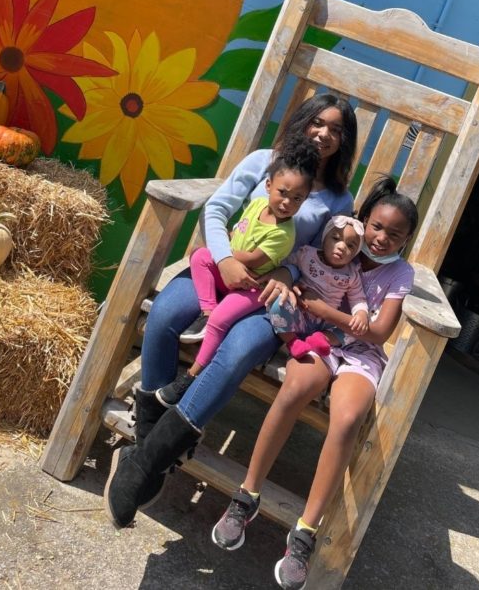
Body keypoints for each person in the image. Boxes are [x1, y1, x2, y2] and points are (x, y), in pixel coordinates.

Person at [103, 93, 358, 530]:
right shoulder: (264, 160)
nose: (325, 135)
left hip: (272, 294)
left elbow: (325, 258)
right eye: (320, 122)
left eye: (338, 130)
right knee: (165, 314)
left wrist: (287, 274)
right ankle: (154, 455)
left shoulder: (338, 199)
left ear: (345, 142)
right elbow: (218, 208)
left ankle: (142, 464)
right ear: (303, 121)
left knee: (238, 350)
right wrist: (223, 259)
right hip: (221, 270)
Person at [211, 176, 418, 590]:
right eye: (376, 227)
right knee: (294, 389)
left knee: (346, 421)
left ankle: (305, 530)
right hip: (316, 337)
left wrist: (329, 310)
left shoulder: (401, 273)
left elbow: (377, 333)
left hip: (360, 353)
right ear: (364, 220)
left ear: (406, 239)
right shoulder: (340, 239)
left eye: (395, 234)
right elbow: (296, 260)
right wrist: (290, 280)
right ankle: (246, 496)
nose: (380, 239)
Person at [155, 135, 320, 407]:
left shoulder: (283, 232)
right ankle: (205, 312)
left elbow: (254, 259)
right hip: (231, 271)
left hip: (252, 285)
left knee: (222, 320)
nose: (287, 202)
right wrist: (224, 252)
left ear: (303, 202)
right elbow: (236, 229)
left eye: (297, 199)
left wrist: (226, 255)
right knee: (199, 256)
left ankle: (191, 375)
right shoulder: (256, 205)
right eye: (282, 193)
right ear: (268, 186)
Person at [268, 214, 368, 361]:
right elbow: (285, 266)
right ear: (324, 239)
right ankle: (292, 342)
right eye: (335, 238)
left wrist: (361, 314)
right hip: (298, 313)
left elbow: (358, 298)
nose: (341, 246)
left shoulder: (352, 275)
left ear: (355, 253)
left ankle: (320, 340)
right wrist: (290, 284)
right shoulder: (306, 254)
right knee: (278, 304)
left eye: (350, 245)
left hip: (326, 324)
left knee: (354, 331)